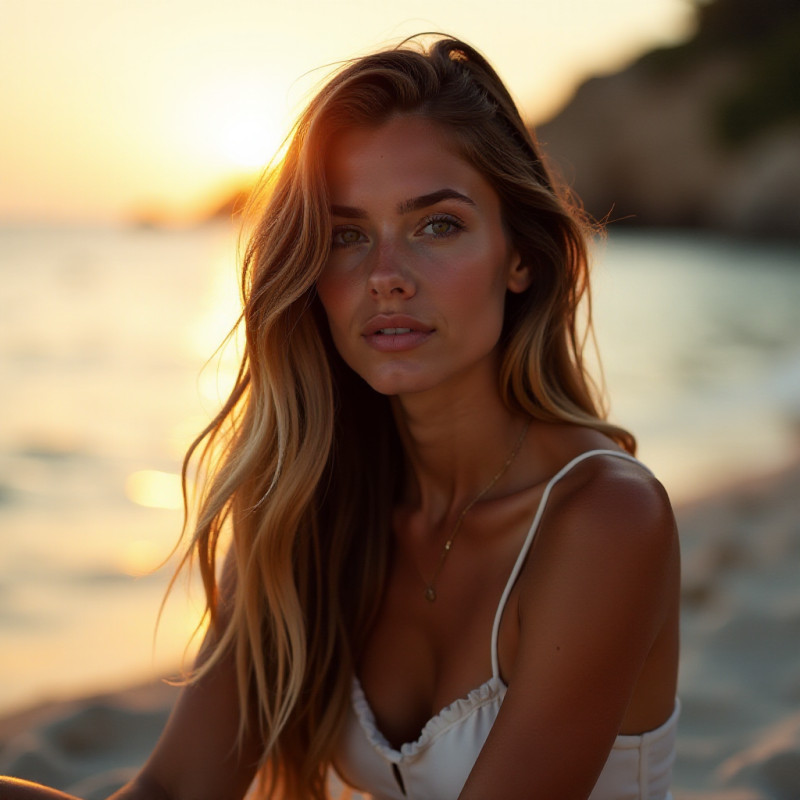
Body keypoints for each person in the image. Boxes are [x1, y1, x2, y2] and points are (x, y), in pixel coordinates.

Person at [1, 34, 680, 800]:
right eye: (347, 236)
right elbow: (174, 795)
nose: (386, 276)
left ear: (519, 255)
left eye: (437, 226)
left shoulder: (606, 520)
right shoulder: (303, 517)